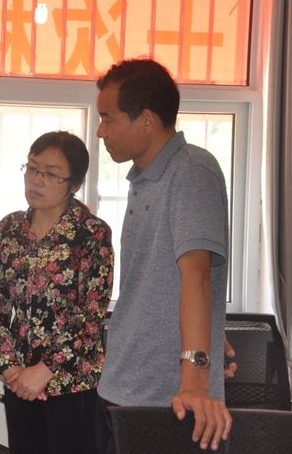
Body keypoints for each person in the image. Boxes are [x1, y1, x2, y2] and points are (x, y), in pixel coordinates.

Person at [94, 58, 231, 453]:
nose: (101, 131)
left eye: (108, 118)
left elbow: (197, 277)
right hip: (123, 383)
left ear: (147, 121)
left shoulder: (192, 171)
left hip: (170, 397)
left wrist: (195, 382)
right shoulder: (142, 179)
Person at [0, 131, 114, 454]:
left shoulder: (91, 233)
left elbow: (91, 315)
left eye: (51, 174)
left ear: (74, 185)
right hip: (19, 381)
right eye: (32, 168)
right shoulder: (10, 228)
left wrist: (45, 371)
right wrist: (9, 367)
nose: (37, 180)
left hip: (73, 383)